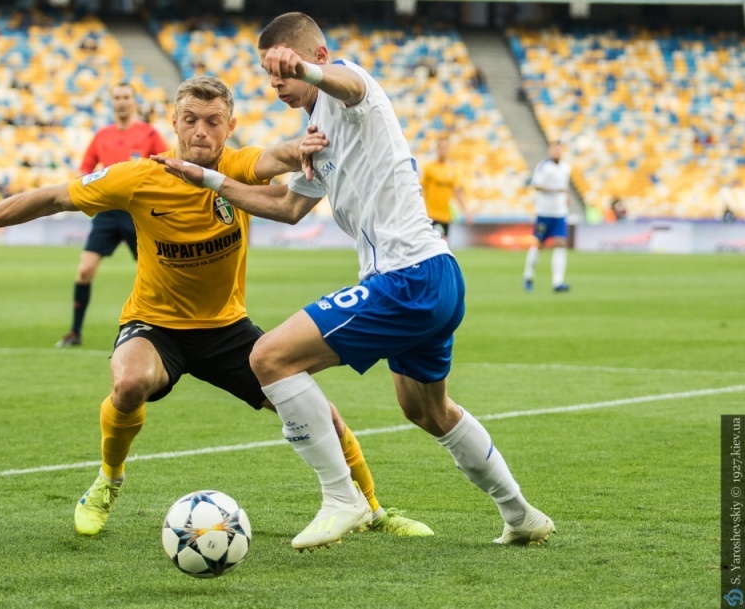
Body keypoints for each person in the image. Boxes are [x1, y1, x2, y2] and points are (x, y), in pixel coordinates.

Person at [0, 76, 432, 541]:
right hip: (155, 325)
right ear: (174, 123)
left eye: (214, 121)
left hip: (227, 329)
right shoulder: (139, 178)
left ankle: (373, 509)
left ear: (230, 126)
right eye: (191, 120)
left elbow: (275, 156)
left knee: (321, 413)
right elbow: (53, 197)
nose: (202, 131)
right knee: (128, 383)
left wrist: (301, 148)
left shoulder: (236, 167)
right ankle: (108, 479)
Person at [154, 12, 554, 552]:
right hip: (431, 276)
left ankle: (342, 497)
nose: (276, 84)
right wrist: (208, 178)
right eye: (270, 75)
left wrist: (307, 71)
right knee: (427, 410)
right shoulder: (317, 135)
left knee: (268, 357)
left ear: (316, 58)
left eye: (282, 71)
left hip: (408, 276)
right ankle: (520, 513)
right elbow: (287, 207)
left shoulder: (350, 91)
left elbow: (349, 83)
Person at [55, 82, 169, 348]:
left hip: (137, 213)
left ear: (134, 101)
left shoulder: (149, 133)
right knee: (84, 270)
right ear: (112, 101)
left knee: (158, 273)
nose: (122, 101)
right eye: (117, 97)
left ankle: (169, 330)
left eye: (126, 97)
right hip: (107, 213)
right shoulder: (102, 135)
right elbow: (84, 171)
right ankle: (75, 332)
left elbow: (166, 166)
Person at [522, 140, 571, 293]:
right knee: (539, 244)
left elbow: (564, 187)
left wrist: (566, 196)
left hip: (560, 212)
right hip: (544, 212)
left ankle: (558, 282)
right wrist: (555, 190)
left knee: (561, 243)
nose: (556, 152)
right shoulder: (544, 166)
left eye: (559, 150)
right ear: (550, 151)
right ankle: (528, 275)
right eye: (554, 150)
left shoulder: (566, 167)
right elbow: (536, 185)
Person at [420, 136, 473, 240]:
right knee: (433, 243)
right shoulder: (428, 168)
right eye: (440, 147)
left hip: (445, 215)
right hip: (431, 215)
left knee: (444, 243)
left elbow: (457, 191)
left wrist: (466, 210)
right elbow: (421, 188)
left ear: (448, 149)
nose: (442, 150)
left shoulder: (452, 170)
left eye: (445, 147)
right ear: (437, 149)